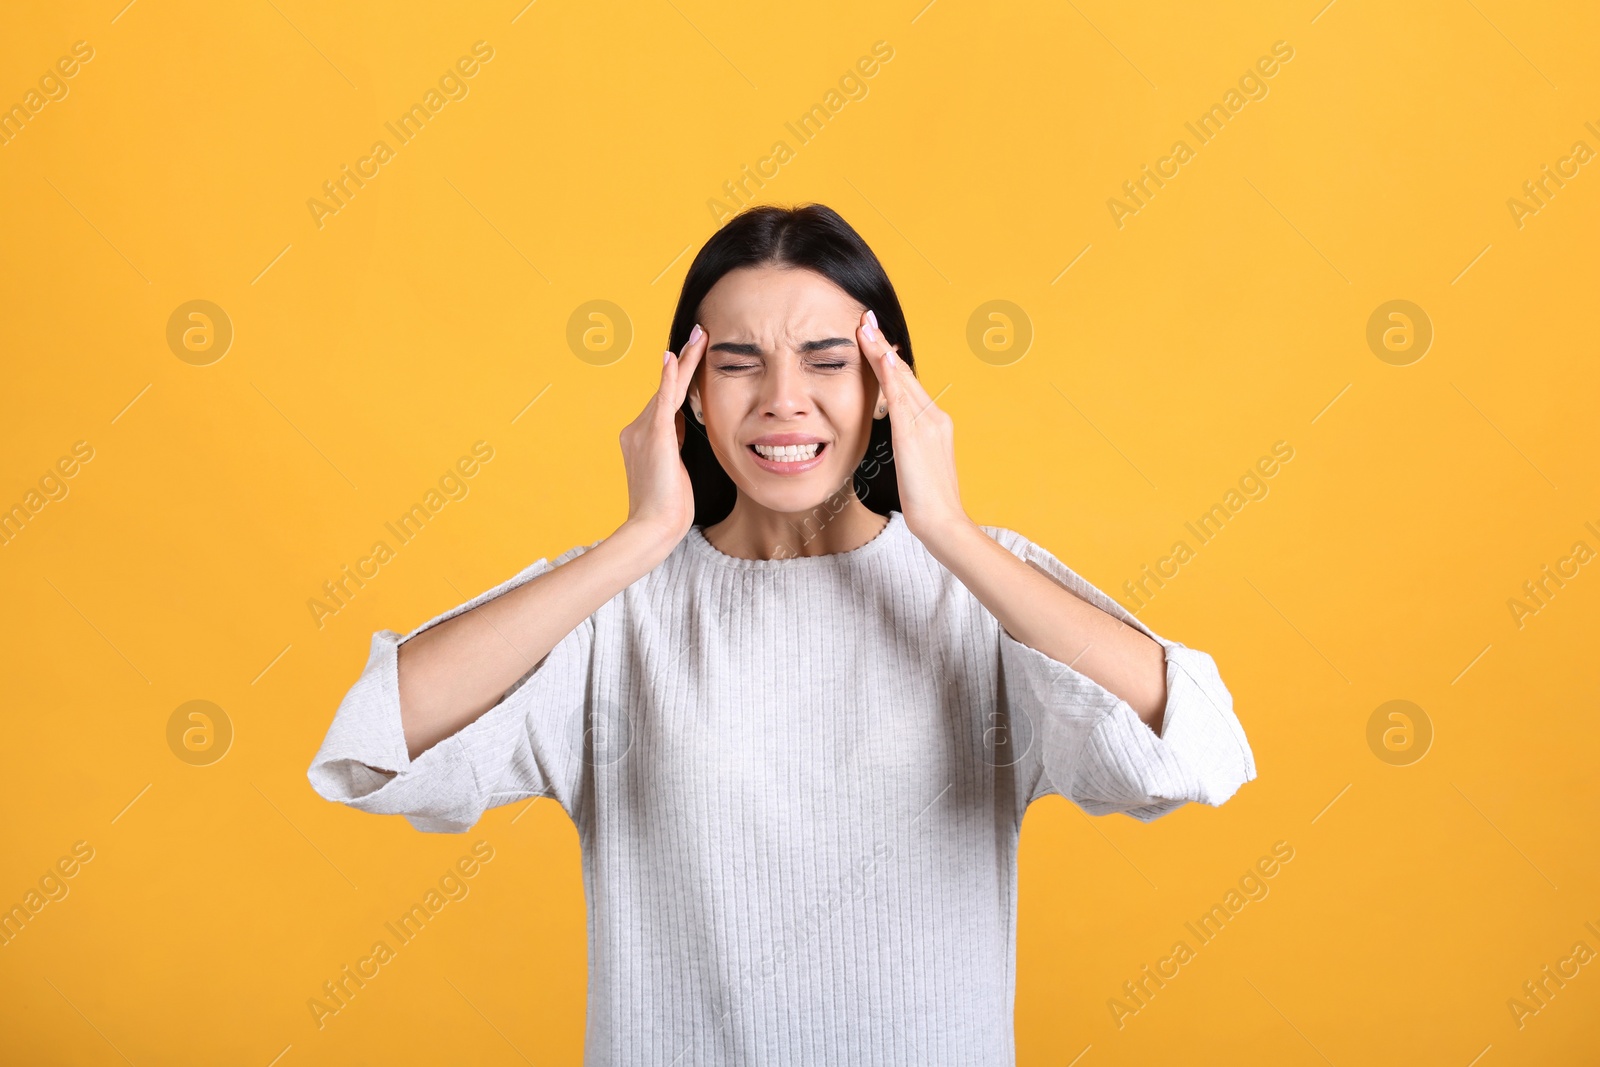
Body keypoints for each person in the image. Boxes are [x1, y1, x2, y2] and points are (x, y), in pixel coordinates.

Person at [306, 203, 1257, 1063]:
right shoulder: (621, 611)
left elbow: (1188, 746)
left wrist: (953, 535)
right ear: (686, 393)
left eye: (826, 359)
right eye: (737, 362)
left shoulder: (973, 589)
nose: (782, 398)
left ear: (888, 385)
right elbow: (382, 734)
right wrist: (636, 540)